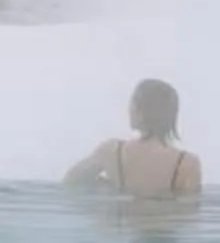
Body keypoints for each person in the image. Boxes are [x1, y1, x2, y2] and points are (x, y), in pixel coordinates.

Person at [64, 80, 202, 201]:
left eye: (132, 104)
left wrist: (105, 187)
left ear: (140, 109)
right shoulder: (187, 163)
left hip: (121, 227)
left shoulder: (112, 151)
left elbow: (70, 182)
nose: (129, 110)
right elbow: (189, 213)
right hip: (163, 228)